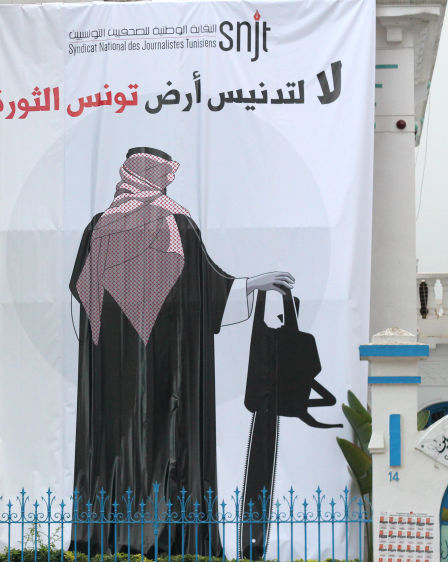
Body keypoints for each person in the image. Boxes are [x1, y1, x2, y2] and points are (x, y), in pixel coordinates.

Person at [68, 147, 293, 556]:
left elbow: (82, 296)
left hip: (115, 371)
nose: (166, 184)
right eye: (161, 176)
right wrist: (251, 284)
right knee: (170, 444)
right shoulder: (174, 225)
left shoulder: (102, 228)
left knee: (121, 445)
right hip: (168, 367)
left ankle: (115, 539)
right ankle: (170, 541)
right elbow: (207, 291)